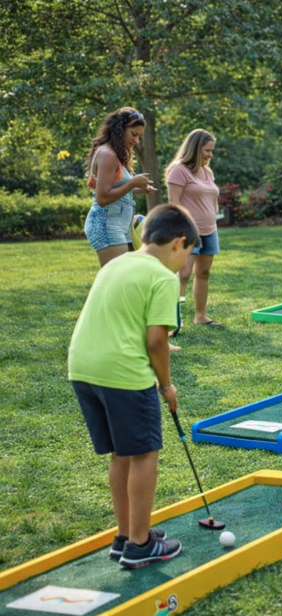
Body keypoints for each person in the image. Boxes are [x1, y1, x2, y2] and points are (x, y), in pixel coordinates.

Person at [68, 204, 199, 568]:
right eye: (189, 253)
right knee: (144, 454)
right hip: (122, 373)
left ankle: (125, 535)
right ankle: (141, 545)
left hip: (82, 367)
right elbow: (156, 340)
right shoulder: (163, 277)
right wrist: (167, 385)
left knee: (122, 453)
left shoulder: (117, 263)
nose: (186, 262)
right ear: (179, 243)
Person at [84, 108, 158, 267]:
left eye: (139, 136)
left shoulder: (115, 154)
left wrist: (138, 188)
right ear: (120, 129)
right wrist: (132, 183)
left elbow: (116, 189)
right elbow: (103, 198)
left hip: (120, 225)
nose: (137, 141)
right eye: (134, 134)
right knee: (117, 282)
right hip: (106, 225)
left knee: (129, 277)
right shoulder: (107, 154)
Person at [166, 129, 222, 327]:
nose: (210, 155)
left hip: (210, 229)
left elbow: (211, 198)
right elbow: (174, 202)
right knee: (183, 274)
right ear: (195, 148)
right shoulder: (178, 170)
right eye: (207, 150)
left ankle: (200, 317)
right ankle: (172, 320)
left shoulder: (208, 172)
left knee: (203, 273)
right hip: (188, 230)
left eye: (211, 151)